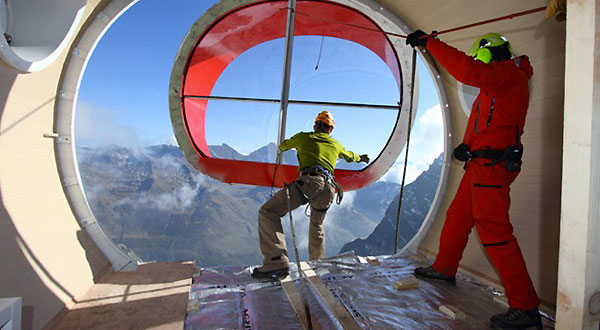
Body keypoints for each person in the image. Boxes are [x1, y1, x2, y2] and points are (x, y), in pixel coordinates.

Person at [406, 31, 542, 329]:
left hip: (492, 167)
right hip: (481, 164)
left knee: (495, 232)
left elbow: (469, 71)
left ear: (488, 52)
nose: (478, 61)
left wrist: (430, 43)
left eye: (479, 55)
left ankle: (526, 307)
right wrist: (467, 144)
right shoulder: (495, 85)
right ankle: (444, 268)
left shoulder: (509, 75)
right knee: (457, 218)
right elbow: (484, 121)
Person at [252, 111, 369, 279]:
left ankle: (275, 261)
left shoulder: (303, 137)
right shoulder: (335, 144)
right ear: (330, 130)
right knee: (317, 226)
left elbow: (283, 146)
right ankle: (318, 264)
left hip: (309, 183)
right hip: (329, 189)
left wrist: (286, 144)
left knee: (268, 212)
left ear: (315, 126)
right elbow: (351, 156)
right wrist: (361, 158)